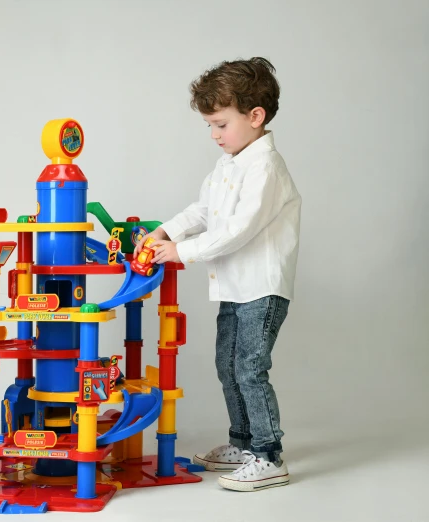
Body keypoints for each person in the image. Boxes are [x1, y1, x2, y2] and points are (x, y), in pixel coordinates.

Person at [135, 57, 301, 492]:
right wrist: (166, 230)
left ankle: (268, 455)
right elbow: (203, 210)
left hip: (261, 287)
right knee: (227, 365)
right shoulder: (229, 163)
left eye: (220, 124)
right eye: (209, 125)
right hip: (234, 285)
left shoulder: (265, 167)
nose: (214, 135)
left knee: (248, 367)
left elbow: (236, 232)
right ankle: (243, 442)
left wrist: (178, 251)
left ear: (255, 116)